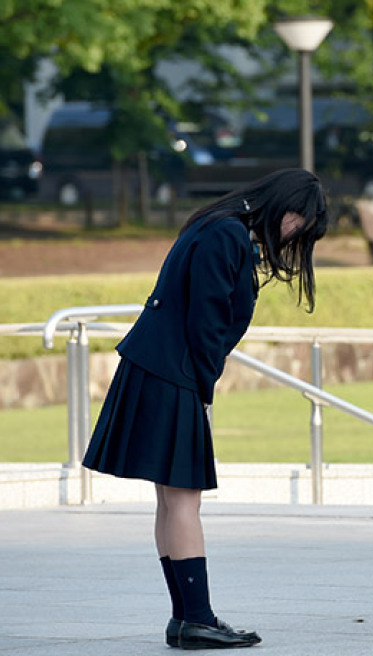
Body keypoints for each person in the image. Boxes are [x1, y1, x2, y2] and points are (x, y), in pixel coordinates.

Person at [83, 168, 329, 649]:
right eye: (302, 223)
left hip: (160, 367)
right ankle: (196, 617)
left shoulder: (220, 225)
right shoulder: (227, 233)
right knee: (183, 500)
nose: (298, 235)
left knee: (172, 499)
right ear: (287, 206)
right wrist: (203, 385)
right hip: (173, 372)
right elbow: (208, 319)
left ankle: (187, 618)